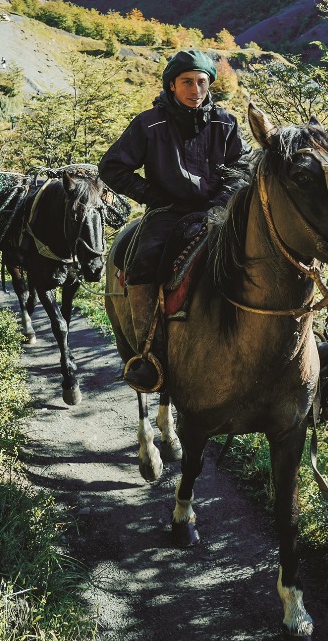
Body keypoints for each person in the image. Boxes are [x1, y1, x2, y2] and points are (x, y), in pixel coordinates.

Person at [99, 48, 252, 391]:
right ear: (171, 85)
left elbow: (242, 167)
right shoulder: (148, 124)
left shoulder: (225, 122)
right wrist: (154, 197)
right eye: (187, 82)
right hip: (168, 212)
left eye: (202, 82)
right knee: (143, 263)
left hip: (218, 210)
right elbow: (112, 167)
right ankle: (148, 354)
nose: (196, 89)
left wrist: (222, 204)